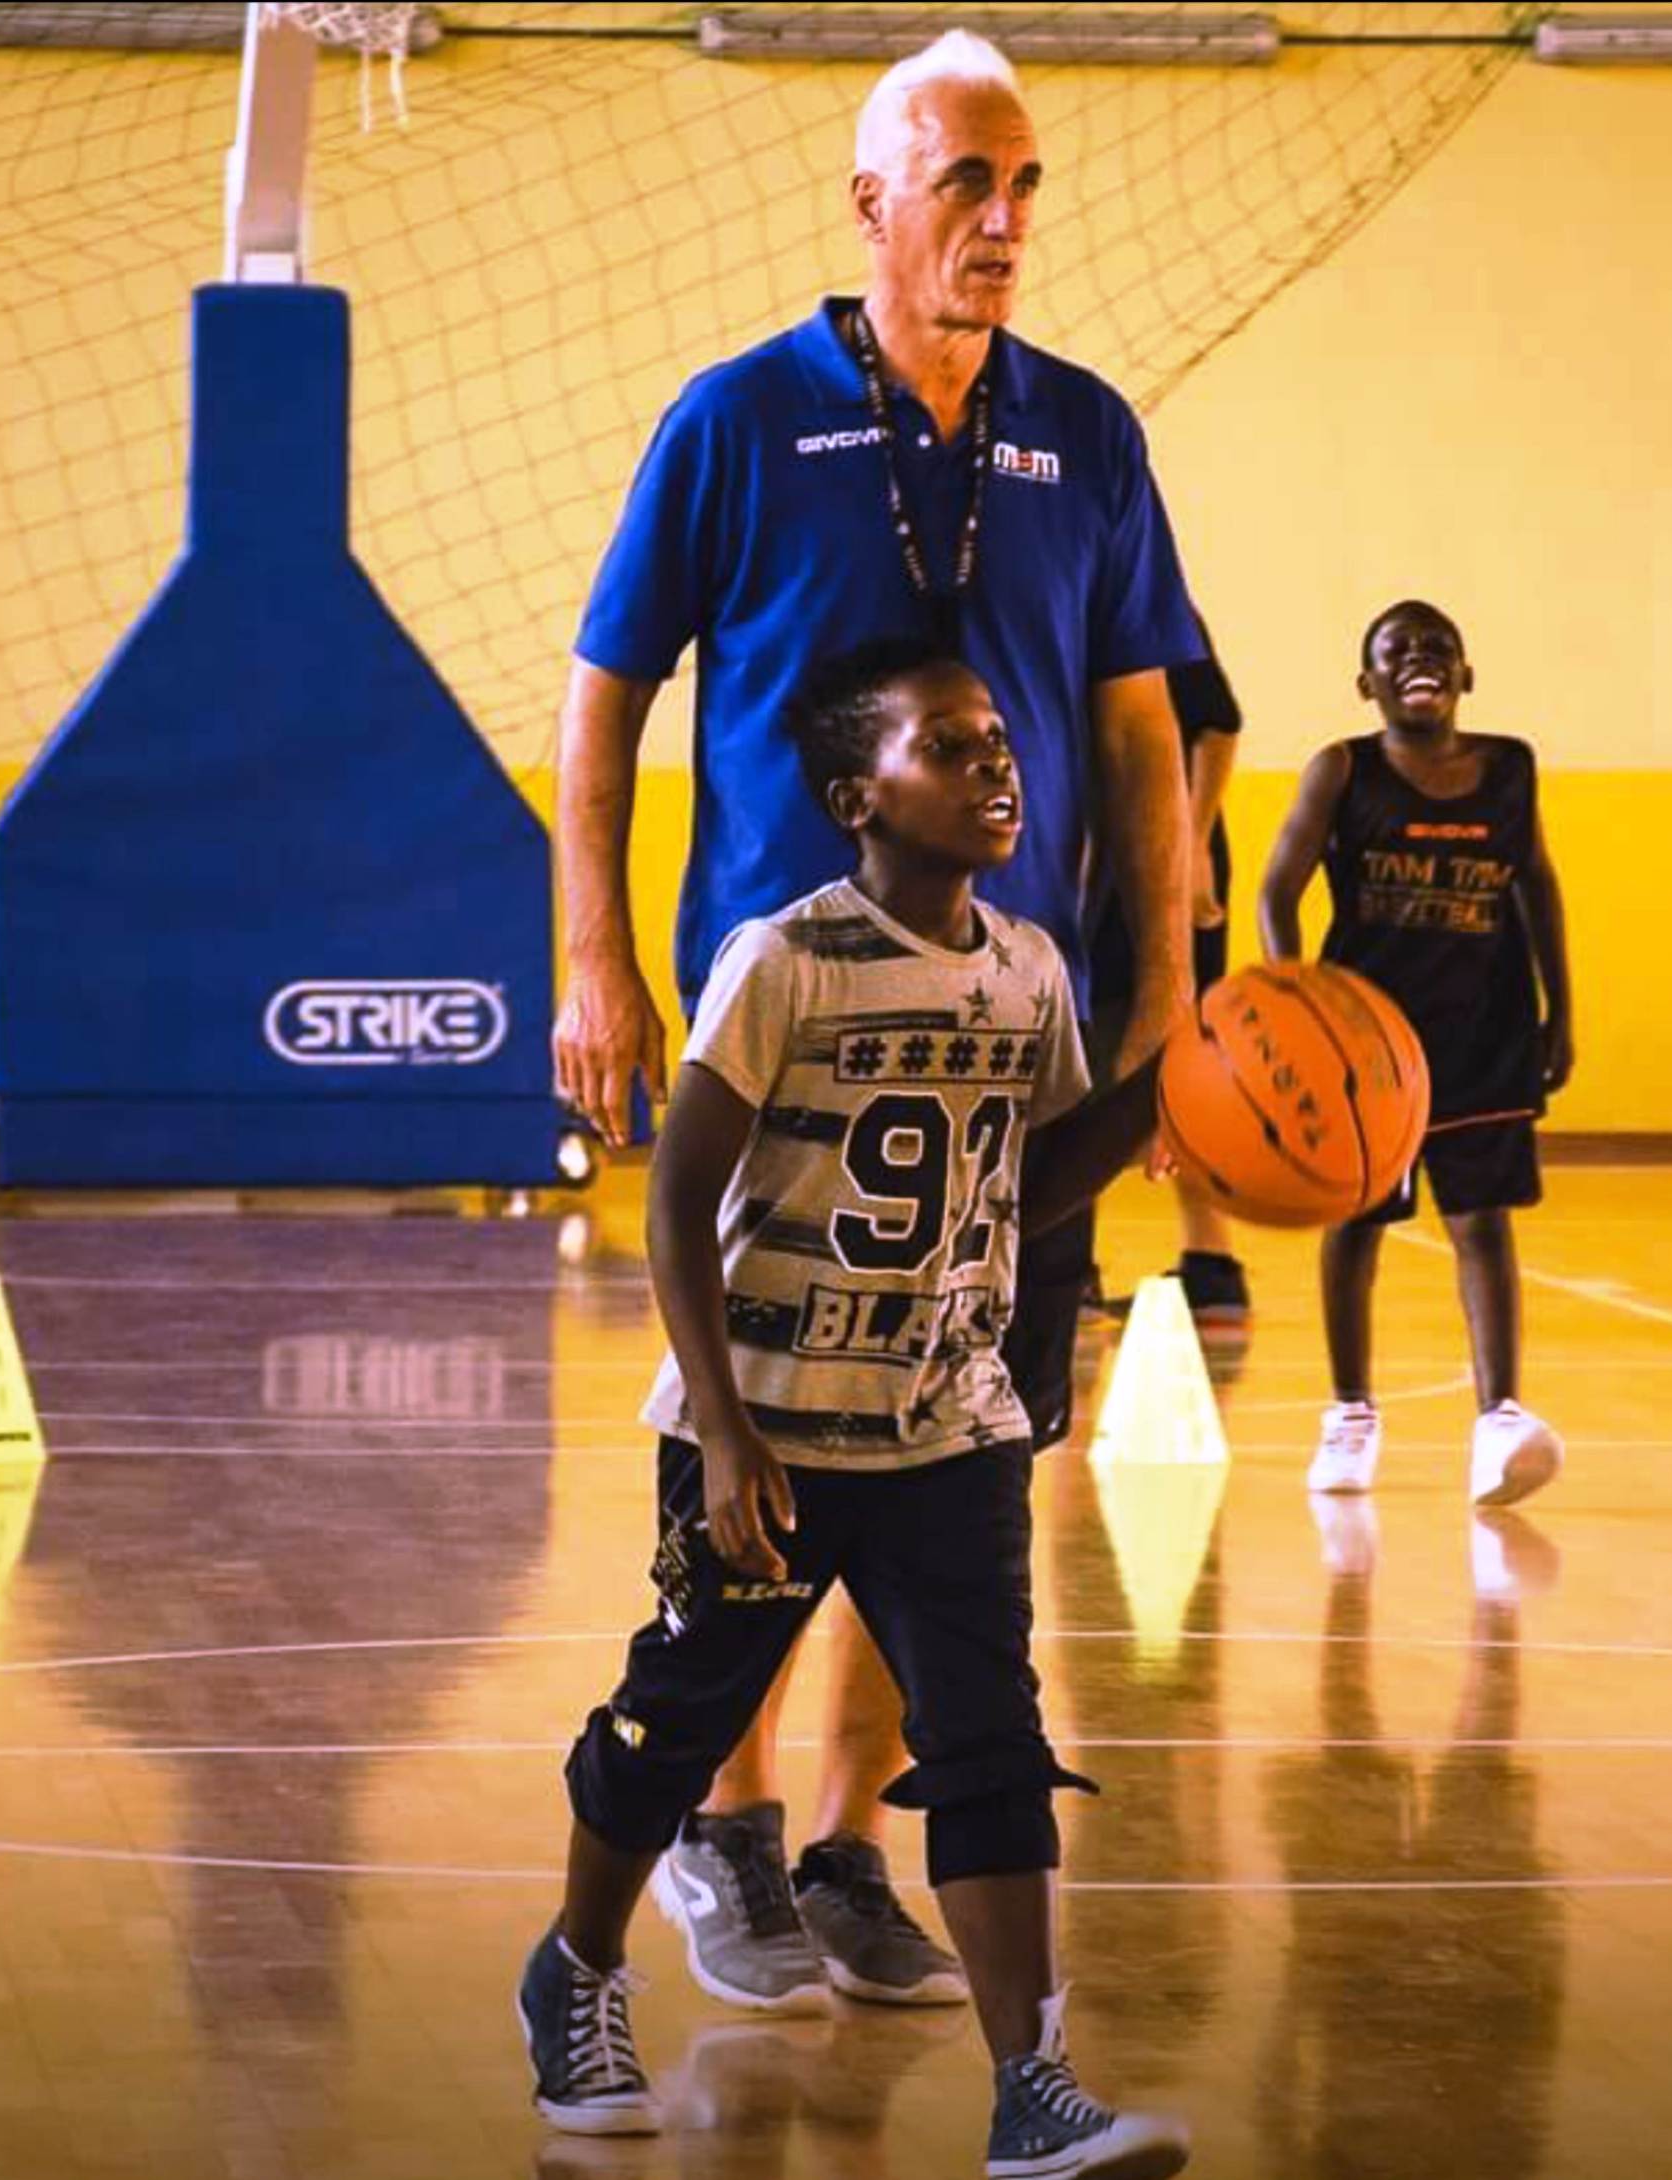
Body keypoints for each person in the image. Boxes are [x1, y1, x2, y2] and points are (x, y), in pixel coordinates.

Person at [548, 27, 1201, 2012]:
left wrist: (1164, 992)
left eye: (1023, 188)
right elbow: (603, 702)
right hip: (787, 1049)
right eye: (962, 187)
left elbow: (1142, 731)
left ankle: (845, 1842)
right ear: (869, 205)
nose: (1000, 224)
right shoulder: (737, 420)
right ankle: (718, 1838)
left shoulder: (1087, 436)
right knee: (751, 1453)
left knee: (959, 1462)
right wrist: (592, 952)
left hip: (1017, 1049)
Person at [520, 641, 1190, 2180]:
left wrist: (1175, 1093)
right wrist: (730, 1433)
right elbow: (678, 1204)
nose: (996, 765)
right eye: (949, 747)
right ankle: (575, 1969)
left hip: (946, 1421)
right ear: (854, 796)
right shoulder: (786, 961)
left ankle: (1035, 2084)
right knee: (677, 1719)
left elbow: (1027, 1177)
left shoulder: (1029, 968)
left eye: (998, 741)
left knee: (993, 1747)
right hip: (763, 1424)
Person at [1257, 599, 1576, 1506]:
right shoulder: (1342, 770)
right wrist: (1296, 1003)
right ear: (1368, 684)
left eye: (1438, 648)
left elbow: (1537, 888)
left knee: (1482, 1221)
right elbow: (1278, 890)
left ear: (1467, 674)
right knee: (1357, 1221)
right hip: (1366, 1038)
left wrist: (1564, 1010)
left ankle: (1500, 1418)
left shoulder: (1510, 767)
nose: (1419, 660)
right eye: (1396, 652)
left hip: (1486, 1025)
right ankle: (1350, 1415)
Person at [1083, 622, 1250, 1324]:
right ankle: (1068, 1264)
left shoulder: (1144, 606)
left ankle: (1212, 1263)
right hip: (1084, 856)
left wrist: (1195, 840)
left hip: (1161, 852)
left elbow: (1218, 724)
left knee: (1184, 1058)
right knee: (1078, 1062)